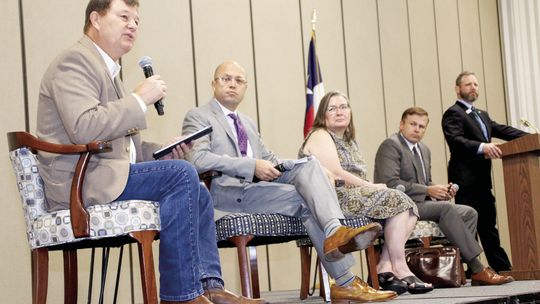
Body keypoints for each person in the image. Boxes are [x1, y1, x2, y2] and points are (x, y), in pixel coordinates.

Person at [35, 1, 266, 303]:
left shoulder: (108, 71)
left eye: (136, 20)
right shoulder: (74, 61)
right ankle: (180, 295)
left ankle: (209, 286)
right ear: (96, 19)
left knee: (196, 188)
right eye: (124, 17)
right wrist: (138, 100)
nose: (132, 25)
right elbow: (83, 128)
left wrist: (164, 153)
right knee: (182, 175)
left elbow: (122, 150)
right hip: (79, 185)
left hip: (105, 173)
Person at [182, 61, 397, 303]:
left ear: (246, 87)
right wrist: (251, 166)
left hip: (259, 190)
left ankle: (336, 236)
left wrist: (307, 168)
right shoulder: (198, 116)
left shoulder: (247, 122)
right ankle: (344, 277)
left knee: (310, 165)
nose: (232, 84)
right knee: (307, 198)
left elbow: (269, 158)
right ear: (213, 83)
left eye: (239, 81)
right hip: (227, 193)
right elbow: (197, 159)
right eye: (225, 78)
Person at [299, 91, 432, 295]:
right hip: (331, 201)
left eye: (343, 107)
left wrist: (369, 187)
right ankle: (399, 266)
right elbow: (336, 174)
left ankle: (385, 267)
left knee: (409, 207)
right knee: (398, 199)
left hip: (355, 196)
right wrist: (370, 186)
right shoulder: (320, 134)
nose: (339, 112)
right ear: (322, 115)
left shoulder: (350, 141)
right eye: (332, 108)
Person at [374, 106, 515, 285]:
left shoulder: (424, 149)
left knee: (469, 212)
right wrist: (427, 191)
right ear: (402, 124)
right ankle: (478, 268)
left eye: (422, 126)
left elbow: (427, 182)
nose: (417, 129)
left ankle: (460, 266)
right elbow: (390, 183)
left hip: (422, 204)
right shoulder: (391, 145)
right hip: (401, 206)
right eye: (413, 124)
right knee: (446, 209)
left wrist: (441, 190)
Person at [442, 71, 528, 273]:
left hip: (482, 181)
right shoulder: (453, 113)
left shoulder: (482, 114)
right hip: (464, 180)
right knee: (469, 229)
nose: (473, 87)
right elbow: (455, 141)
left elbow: (504, 130)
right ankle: (474, 271)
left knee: (489, 227)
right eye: (468, 84)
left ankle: (502, 268)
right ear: (458, 89)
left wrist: (532, 137)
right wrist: (483, 146)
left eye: (476, 84)